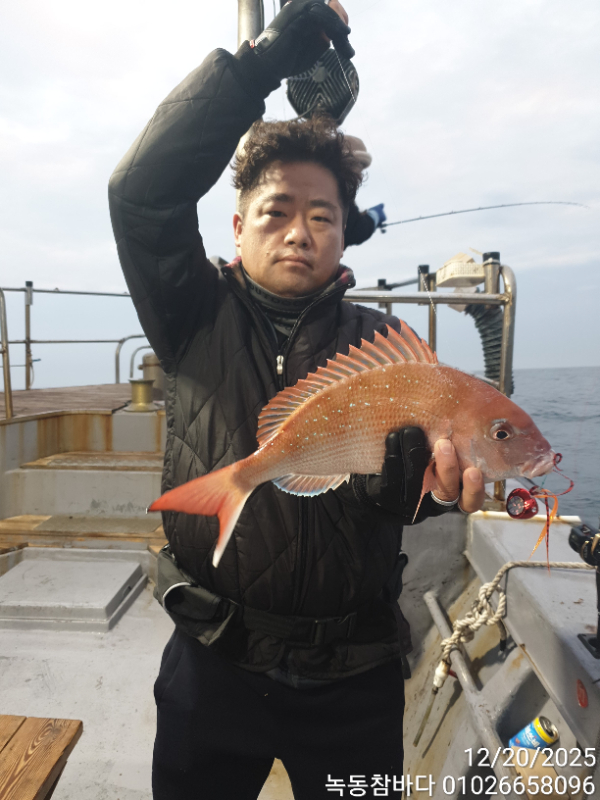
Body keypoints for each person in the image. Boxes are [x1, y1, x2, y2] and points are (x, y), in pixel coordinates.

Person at [108, 1, 485, 797]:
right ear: (237, 226)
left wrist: (425, 491)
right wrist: (255, 67)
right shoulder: (190, 315)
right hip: (213, 661)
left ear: (344, 234)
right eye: (275, 212)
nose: (298, 232)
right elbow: (140, 194)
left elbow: (416, 489)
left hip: (356, 674)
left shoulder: (385, 342)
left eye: (321, 216)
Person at [343, 135, 387, 247]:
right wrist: (374, 216)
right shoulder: (339, 191)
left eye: (361, 167)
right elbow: (354, 231)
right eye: (356, 165)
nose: (360, 175)